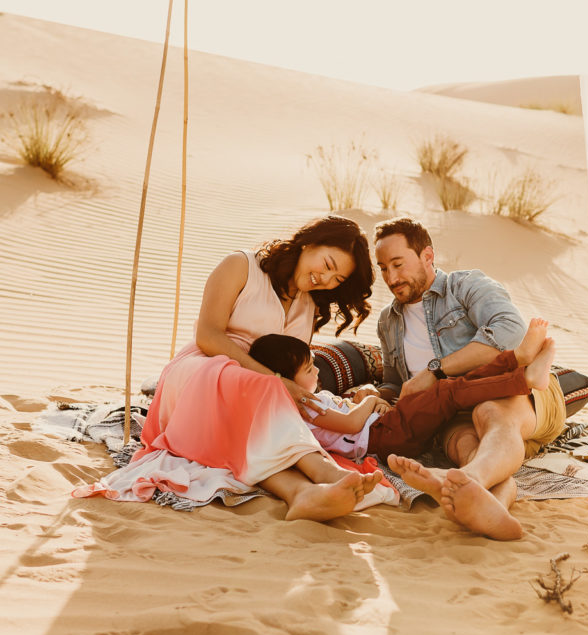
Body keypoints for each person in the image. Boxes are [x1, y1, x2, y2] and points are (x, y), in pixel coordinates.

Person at [74, 215, 383, 521]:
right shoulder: (241, 266)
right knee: (258, 392)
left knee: (258, 420)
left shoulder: (309, 303)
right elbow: (208, 335)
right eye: (328, 266)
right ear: (309, 243)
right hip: (201, 369)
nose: (326, 280)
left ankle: (300, 493)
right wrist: (271, 379)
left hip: (256, 393)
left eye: (337, 280)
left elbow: (288, 370)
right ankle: (327, 471)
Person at [368, 216, 567, 540]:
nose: (391, 277)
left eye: (398, 264)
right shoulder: (388, 322)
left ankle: (467, 480)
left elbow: (510, 332)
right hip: (449, 414)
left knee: (488, 413)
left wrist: (436, 372)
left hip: (516, 390)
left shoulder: (463, 286)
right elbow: (394, 381)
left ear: (427, 256)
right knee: (466, 446)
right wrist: (376, 395)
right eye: (383, 268)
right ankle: (492, 507)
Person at [248, 319, 555, 468]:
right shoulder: (306, 408)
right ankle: (522, 377)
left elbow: (347, 418)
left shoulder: (309, 402)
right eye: (309, 370)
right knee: (447, 391)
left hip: (388, 425)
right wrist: (369, 401)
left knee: (450, 386)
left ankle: (516, 358)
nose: (317, 373)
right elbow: (352, 425)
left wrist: (364, 398)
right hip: (386, 436)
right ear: (286, 380)